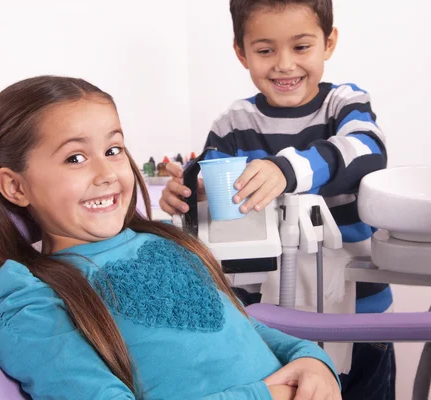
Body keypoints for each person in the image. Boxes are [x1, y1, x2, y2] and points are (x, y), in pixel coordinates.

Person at [0, 75, 341, 399]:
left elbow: (242, 327)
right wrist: (265, 395)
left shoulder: (162, 241)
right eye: (75, 158)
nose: (107, 172)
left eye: (113, 150)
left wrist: (308, 358)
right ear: (14, 187)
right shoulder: (31, 295)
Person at [159, 1, 395, 398]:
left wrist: (285, 171)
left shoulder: (344, 105)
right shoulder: (234, 125)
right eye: (266, 50)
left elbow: (366, 148)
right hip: (267, 323)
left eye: (301, 47)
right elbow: (207, 180)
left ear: (328, 42)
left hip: (357, 315)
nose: (284, 65)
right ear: (241, 52)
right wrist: (189, 192)